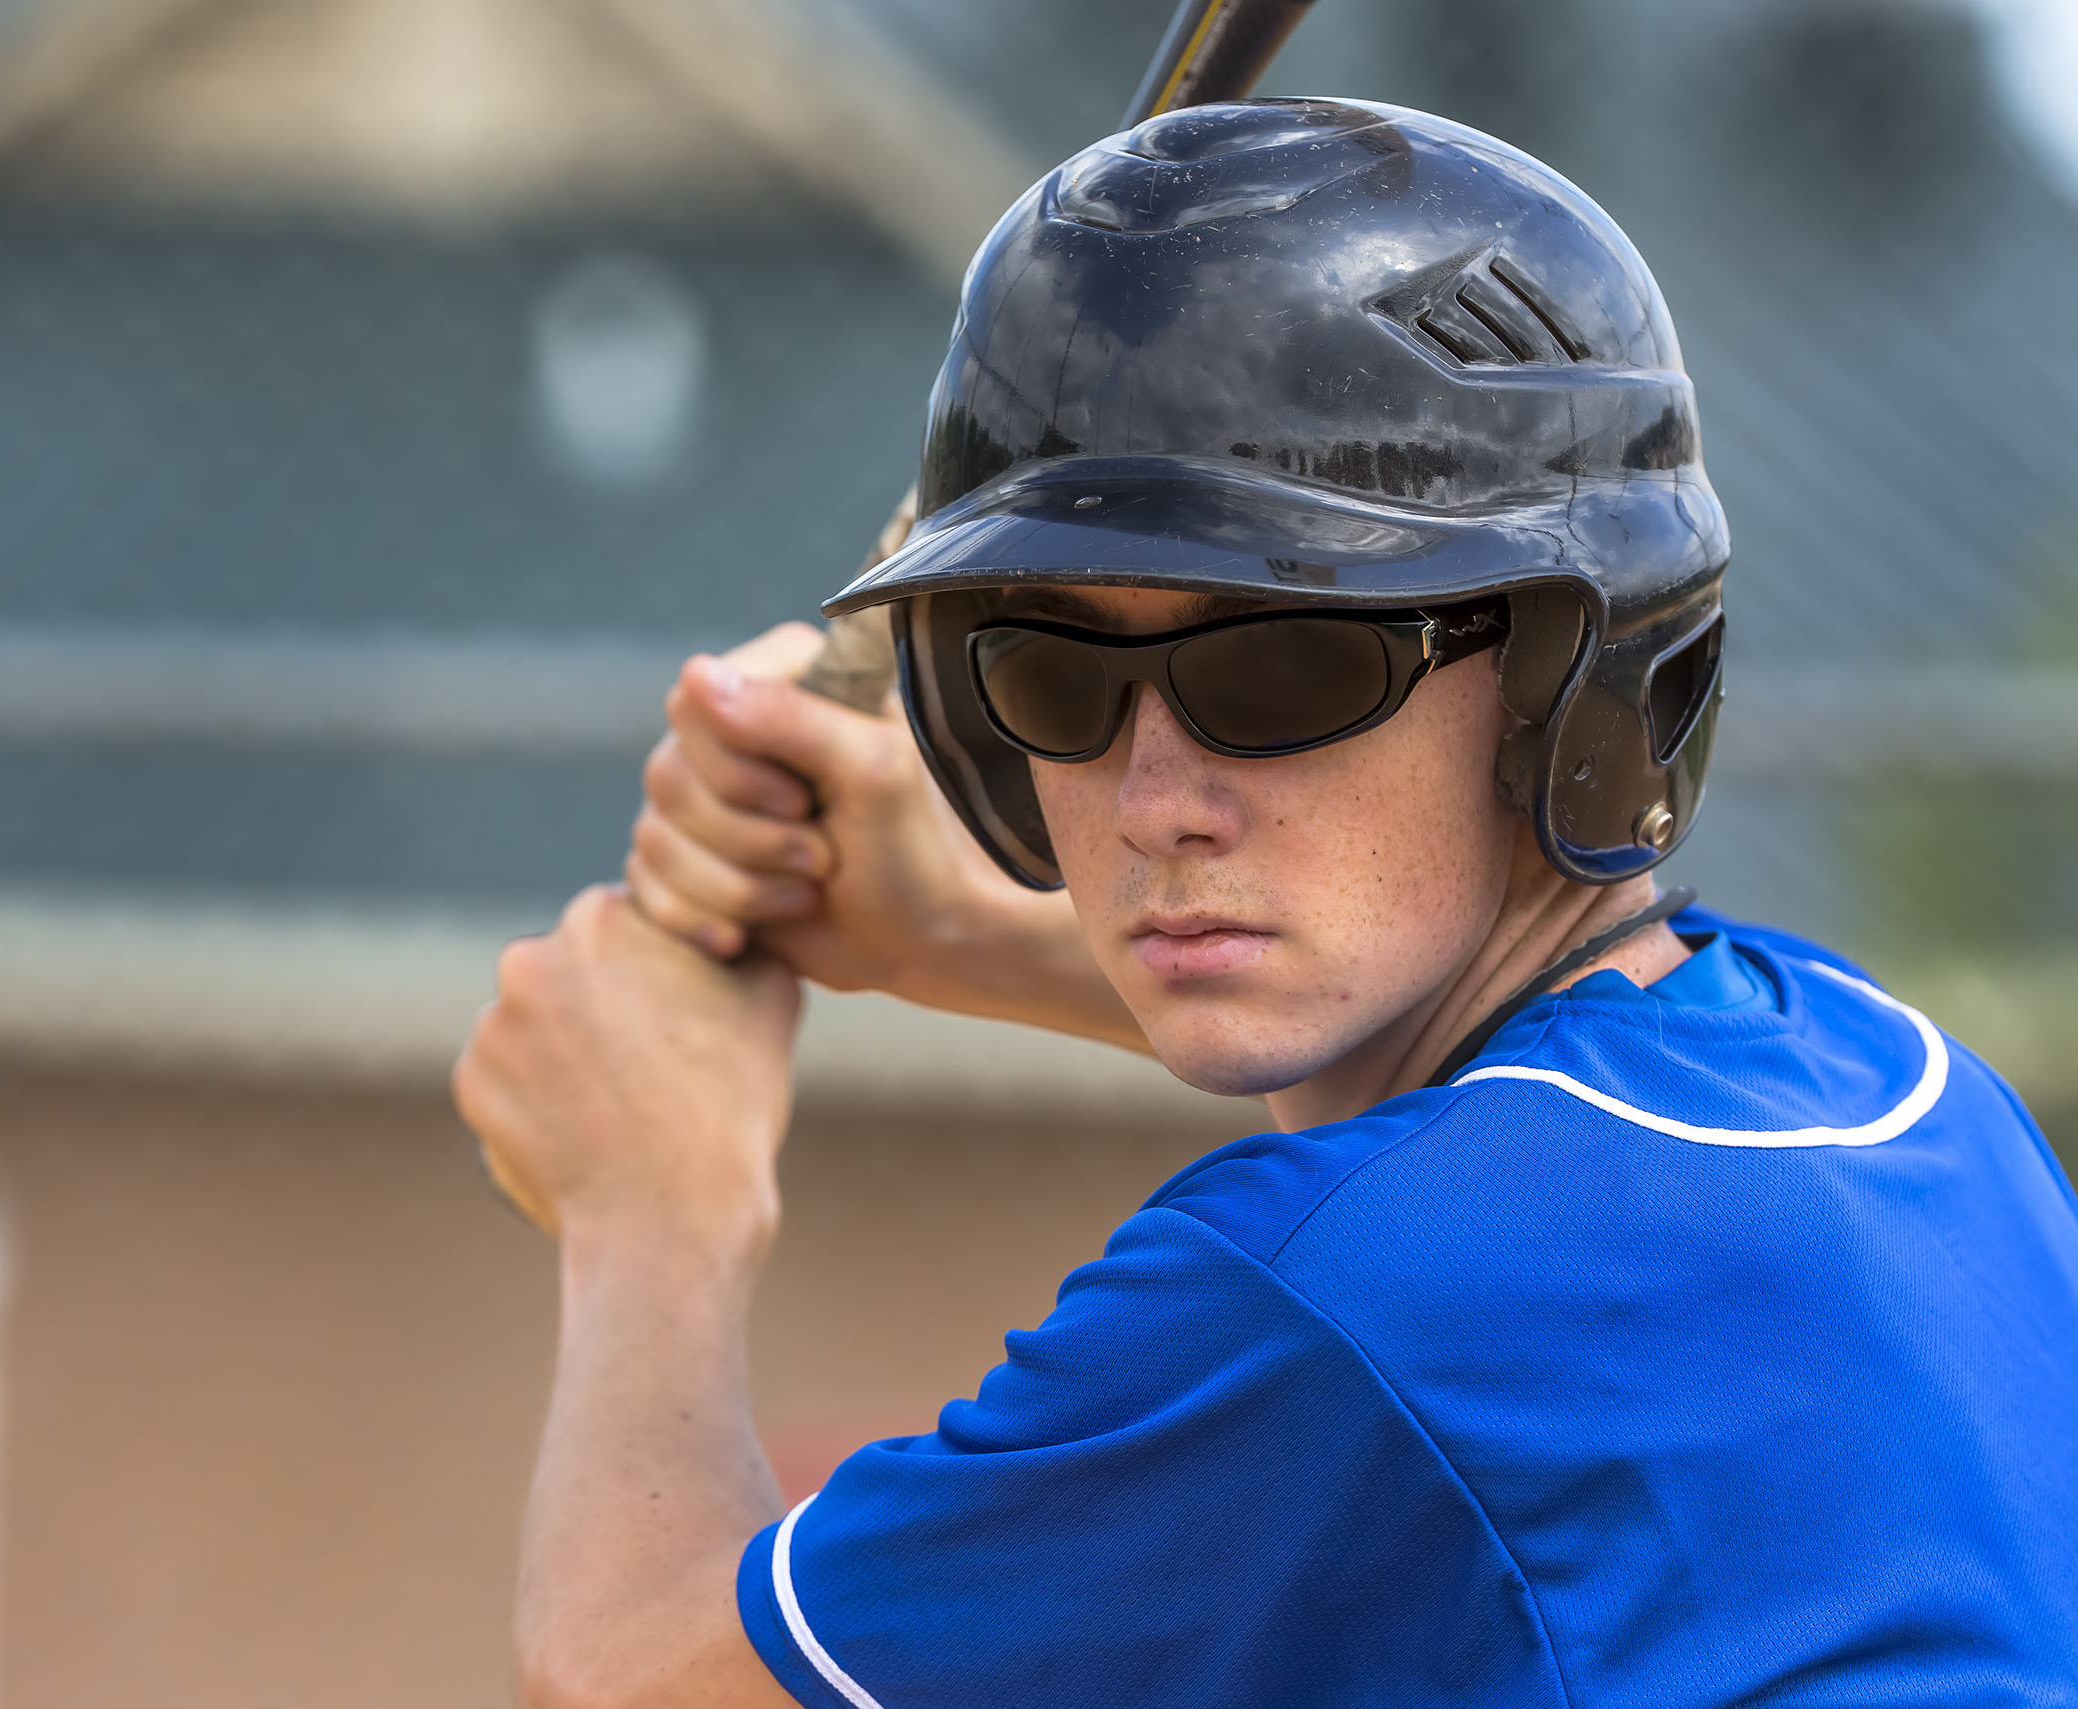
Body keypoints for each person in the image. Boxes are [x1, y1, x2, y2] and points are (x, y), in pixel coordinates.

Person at [453, 102, 2078, 1707]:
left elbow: (628, 1676)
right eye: (1054, 676)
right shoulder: (1898, 1092)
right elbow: (1476, 1130)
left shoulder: (1329, 1299)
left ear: (1570, 684)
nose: (1155, 802)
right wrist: (947, 928)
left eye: (1286, 665)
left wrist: (651, 1196)